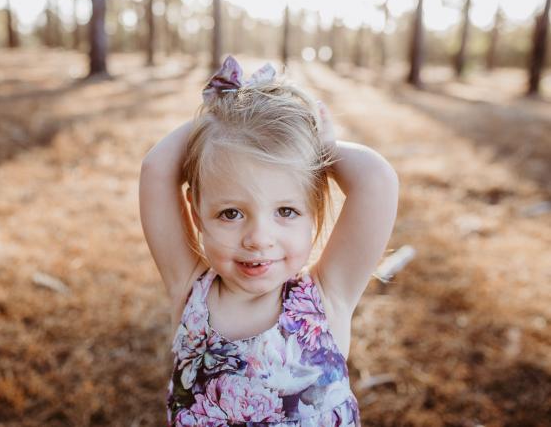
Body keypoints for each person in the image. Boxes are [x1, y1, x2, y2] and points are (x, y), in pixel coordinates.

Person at [139, 55, 399, 426]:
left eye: (286, 212)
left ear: (314, 215)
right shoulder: (189, 290)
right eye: (231, 213)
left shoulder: (326, 298)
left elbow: (377, 182)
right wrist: (218, 119)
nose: (259, 239)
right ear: (198, 219)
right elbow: (155, 170)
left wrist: (325, 147)